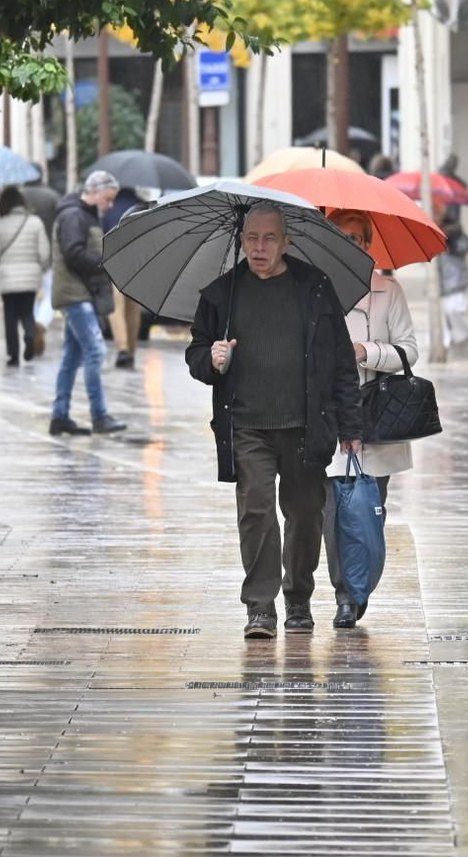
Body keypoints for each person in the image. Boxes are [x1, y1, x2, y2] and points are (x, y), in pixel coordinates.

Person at [186, 202, 363, 640]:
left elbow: (340, 361)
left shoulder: (314, 288)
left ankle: (298, 597)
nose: (259, 247)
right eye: (251, 238)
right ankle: (260, 607)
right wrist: (211, 359)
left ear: (286, 241)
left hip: (306, 424)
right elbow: (196, 353)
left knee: (305, 514)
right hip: (246, 424)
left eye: (268, 238)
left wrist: (351, 426)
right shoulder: (220, 295)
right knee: (257, 510)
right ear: (242, 240)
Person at [322, 209, 418, 629]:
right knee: (331, 511)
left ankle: (363, 587)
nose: (352, 246)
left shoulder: (389, 291)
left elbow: (409, 350)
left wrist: (368, 352)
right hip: (328, 416)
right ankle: (345, 594)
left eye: (359, 239)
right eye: (343, 238)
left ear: (368, 244)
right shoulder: (316, 291)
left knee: (368, 508)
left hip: (377, 417)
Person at [49, 171, 128, 437]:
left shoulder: (83, 214)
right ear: (93, 192)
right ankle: (99, 415)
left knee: (72, 358)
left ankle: (60, 417)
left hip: (78, 292)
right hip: (75, 294)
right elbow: (73, 254)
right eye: (107, 198)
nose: (109, 205)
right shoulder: (74, 215)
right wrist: (105, 265)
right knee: (95, 352)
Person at [0, 186, 52, 368]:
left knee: (10, 316)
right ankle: (30, 337)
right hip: (30, 277)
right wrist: (41, 269)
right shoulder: (35, 222)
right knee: (27, 312)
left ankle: (13, 355)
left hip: (6, 278)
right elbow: (44, 252)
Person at [101, 184, 144, 370]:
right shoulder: (143, 206)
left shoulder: (110, 208)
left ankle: (122, 348)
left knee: (116, 307)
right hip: (138, 264)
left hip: (116, 262)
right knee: (133, 308)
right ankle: (132, 350)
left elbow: (103, 236)